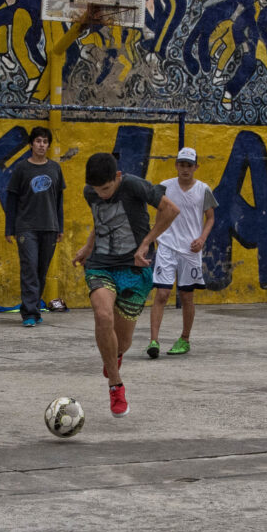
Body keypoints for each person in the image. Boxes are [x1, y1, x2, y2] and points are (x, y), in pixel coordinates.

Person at [72, 153, 180, 417]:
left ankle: (114, 357)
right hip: (101, 265)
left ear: (117, 177)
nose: (102, 194)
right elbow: (101, 220)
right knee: (102, 314)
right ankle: (115, 385)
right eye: (98, 190)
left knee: (123, 343)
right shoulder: (91, 192)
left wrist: (146, 242)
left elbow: (170, 210)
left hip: (135, 269)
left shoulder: (133, 185)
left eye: (107, 189)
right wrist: (88, 247)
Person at [146, 147, 216, 357]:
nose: (185, 169)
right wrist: (158, 236)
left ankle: (185, 339)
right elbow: (160, 212)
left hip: (190, 249)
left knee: (187, 296)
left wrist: (202, 239)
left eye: (189, 165)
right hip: (167, 246)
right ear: (176, 165)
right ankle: (154, 341)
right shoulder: (165, 187)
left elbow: (210, 217)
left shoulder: (203, 190)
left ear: (196, 167)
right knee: (162, 293)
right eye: (182, 164)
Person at [5, 126, 65, 327]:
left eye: (45, 142)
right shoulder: (22, 168)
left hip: (49, 226)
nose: (42, 145)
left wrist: (60, 227)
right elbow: (12, 199)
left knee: (41, 270)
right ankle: (29, 312)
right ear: (31, 144)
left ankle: (34, 308)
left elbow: (59, 201)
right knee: (29, 268)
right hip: (26, 227)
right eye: (38, 141)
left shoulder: (55, 168)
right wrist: (9, 229)